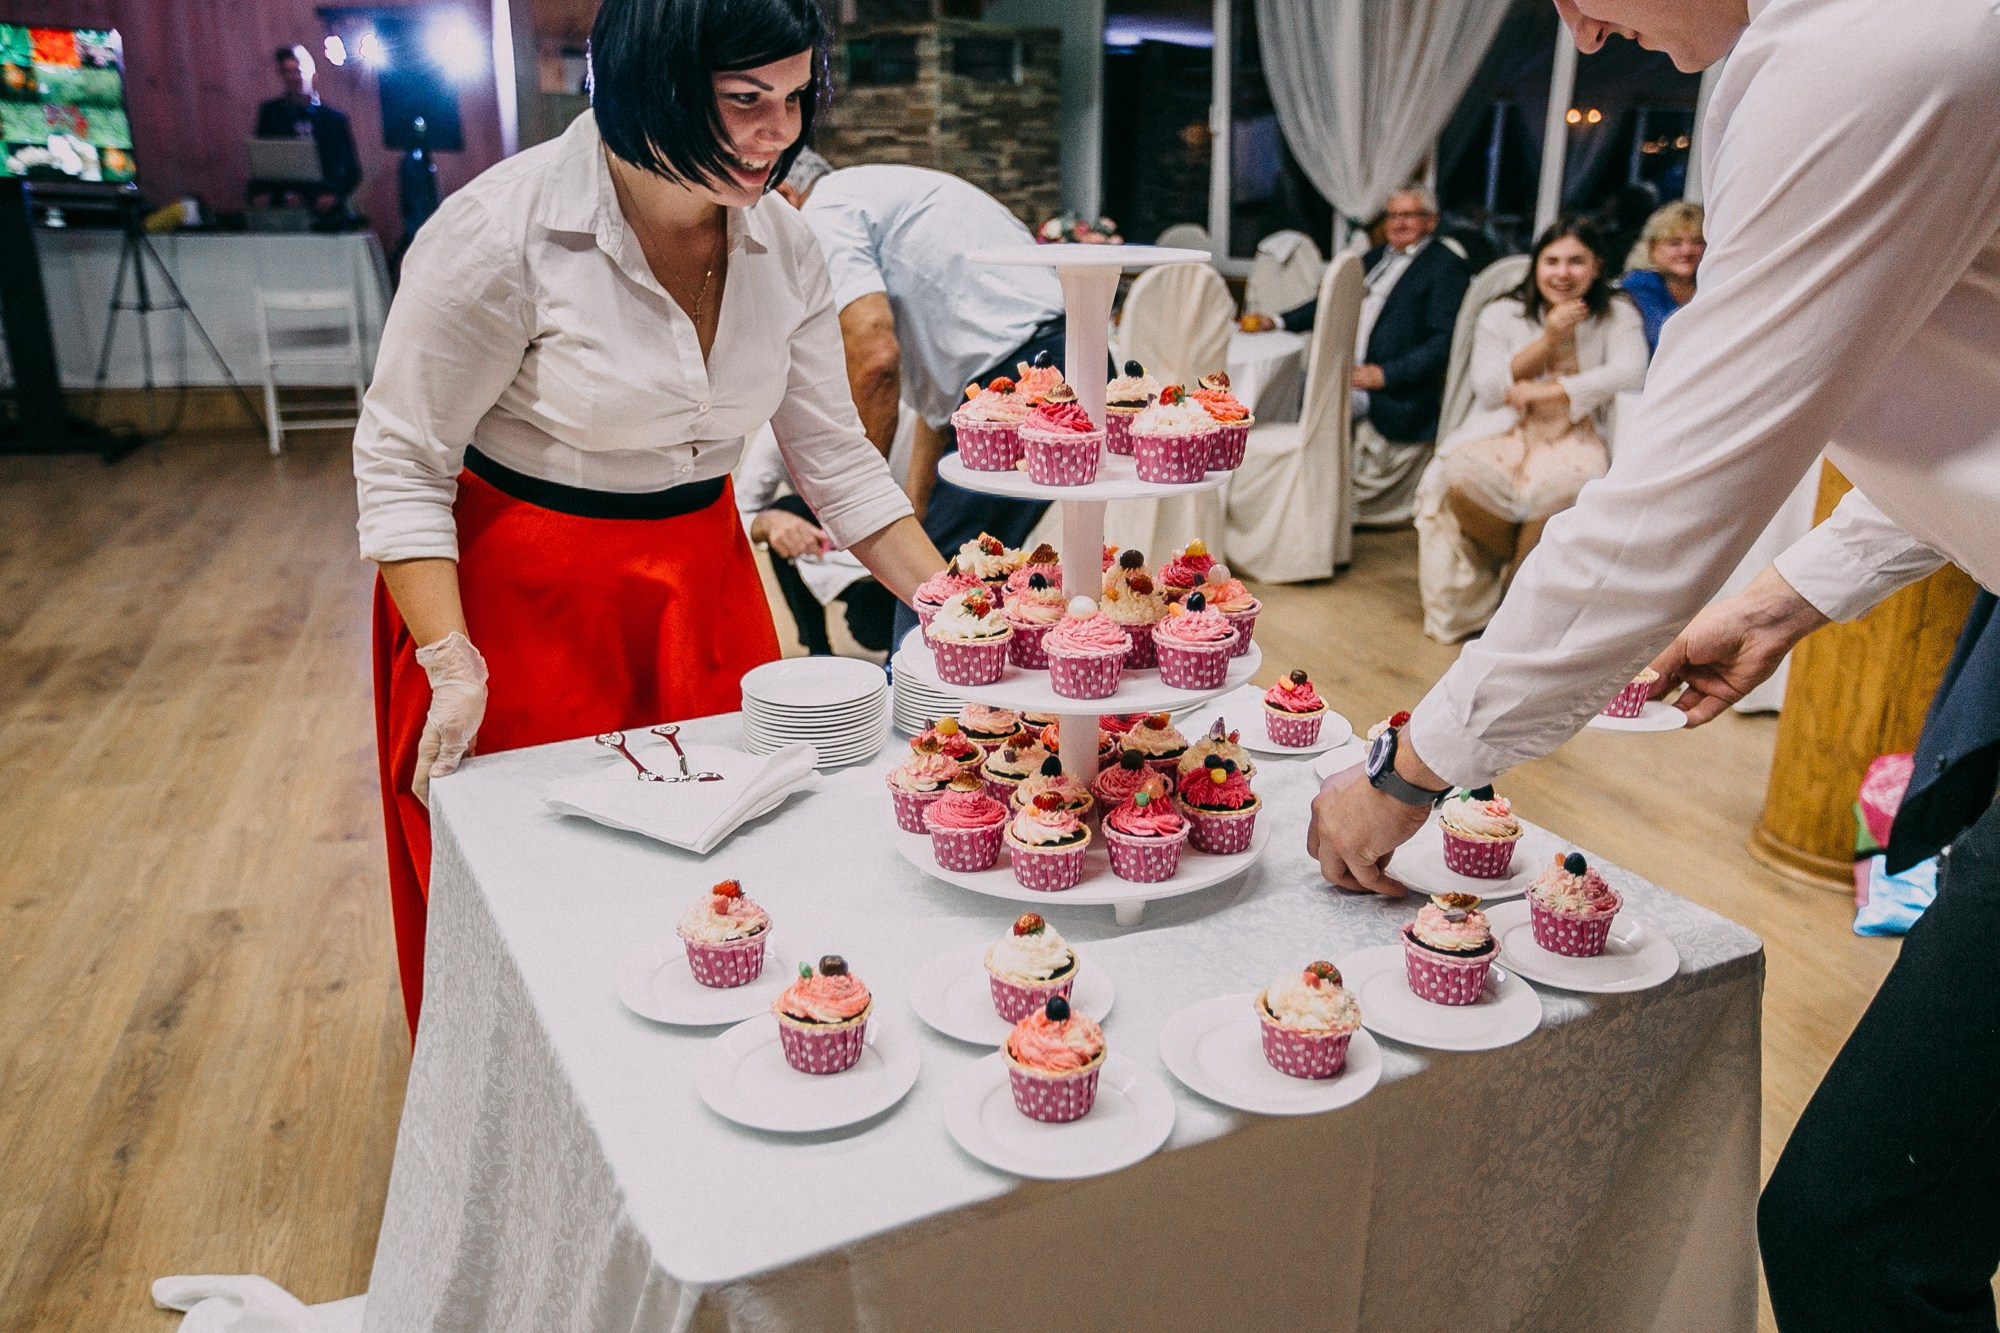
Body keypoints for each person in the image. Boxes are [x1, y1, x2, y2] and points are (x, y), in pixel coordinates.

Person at [1311, 0, 2000, 1328]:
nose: (1571, 16)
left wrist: (1412, 763)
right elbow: (1968, 389)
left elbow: (1665, 502)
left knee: (1854, 1229)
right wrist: (1794, 596)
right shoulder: (1811, 48)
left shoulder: (1877, 47)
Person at [353, 0, 941, 1037]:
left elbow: (835, 458)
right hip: (520, 592)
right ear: (648, 85)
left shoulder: (789, 247)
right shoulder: (502, 232)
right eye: (744, 100)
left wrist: (951, 604)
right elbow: (402, 459)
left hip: (700, 576)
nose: (780, 131)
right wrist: (448, 658)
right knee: (553, 894)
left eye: (796, 98)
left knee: (730, 862)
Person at [776, 152, 1068, 559]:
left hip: (1021, 379)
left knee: (934, 591)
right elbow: (939, 406)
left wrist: (858, 498)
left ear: (785, 197)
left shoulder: (820, 214)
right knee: (958, 567)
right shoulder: (874, 192)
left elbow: (875, 360)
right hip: (1064, 358)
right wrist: (912, 504)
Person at [1412, 216, 1647, 642]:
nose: (1562, 273)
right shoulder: (1501, 312)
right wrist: (1550, 337)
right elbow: (1488, 388)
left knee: (1567, 491)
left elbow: (1631, 373)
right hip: (1505, 428)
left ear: (1596, 266)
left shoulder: (1617, 312)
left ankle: (1509, 612)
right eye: (1551, 261)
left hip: (1577, 431)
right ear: (1535, 265)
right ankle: (1519, 583)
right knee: (1460, 479)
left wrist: (1551, 391)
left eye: (1576, 261)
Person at [1241, 186, 1470, 524]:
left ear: (1431, 221)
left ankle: (1304, 508)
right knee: (1279, 388)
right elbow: (1326, 304)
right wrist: (1276, 321)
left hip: (1386, 389)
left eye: (1409, 215)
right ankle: (1271, 492)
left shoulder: (1445, 267)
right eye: (1392, 215)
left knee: (1308, 405)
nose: (1398, 223)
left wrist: (1385, 374)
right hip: (1345, 372)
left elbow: (1443, 342)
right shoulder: (1375, 258)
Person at [735, 423, 897, 655]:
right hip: (838, 543)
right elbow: (740, 510)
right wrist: (771, 523)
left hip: (901, 539)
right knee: (784, 512)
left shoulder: (917, 412)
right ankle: (818, 648)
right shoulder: (782, 430)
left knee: (873, 622)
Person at [250, 45, 361, 220]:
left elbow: (351, 170)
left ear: (313, 73)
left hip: (326, 209)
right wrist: (270, 193)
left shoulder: (334, 119)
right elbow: (263, 161)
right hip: (282, 208)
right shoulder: (271, 114)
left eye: (299, 71)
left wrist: (333, 195)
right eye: (288, 72)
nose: (295, 77)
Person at [1618, 200, 1705, 351]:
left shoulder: (1712, 282)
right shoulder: (1638, 286)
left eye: (1697, 242)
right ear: (1652, 248)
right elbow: (1664, 341)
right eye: (1674, 243)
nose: (1687, 251)